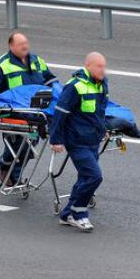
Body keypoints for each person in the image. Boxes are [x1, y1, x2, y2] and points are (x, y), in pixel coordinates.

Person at [0, 32, 58, 186]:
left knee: (29, 147)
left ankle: (13, 175)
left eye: (26, 42)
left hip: (36, 112)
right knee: (19, 145)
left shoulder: (37, 61)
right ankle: (7, 168)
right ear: (11, 46)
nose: (25, 46)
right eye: (20, 44)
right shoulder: (3, 65)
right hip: (14, 114)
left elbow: (52, 81)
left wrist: (61, 95)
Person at [50, 52, 109, 232]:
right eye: (99, 66)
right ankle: (79, 214)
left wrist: (103, 129)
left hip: (93, 140)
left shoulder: (101, 84)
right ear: (88, 66)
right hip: (77, 141)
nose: (103, 70)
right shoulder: (75, 87)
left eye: (104, 66)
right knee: (94, 176)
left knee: (85, 177)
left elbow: (99, 111)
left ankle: (66, 214)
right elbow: (60, 113)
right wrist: (56, 139)